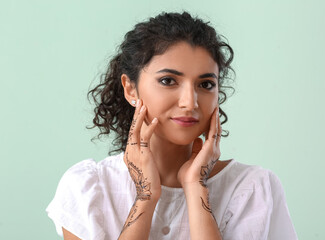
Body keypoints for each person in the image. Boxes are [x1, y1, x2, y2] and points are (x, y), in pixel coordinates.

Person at [46, 11, 298, 240]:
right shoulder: (89, 189)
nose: (190, 102)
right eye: (168, 80)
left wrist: (195, 187)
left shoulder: (253, 188)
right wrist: (146, 196)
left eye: (206, 84)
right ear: (131, 88)